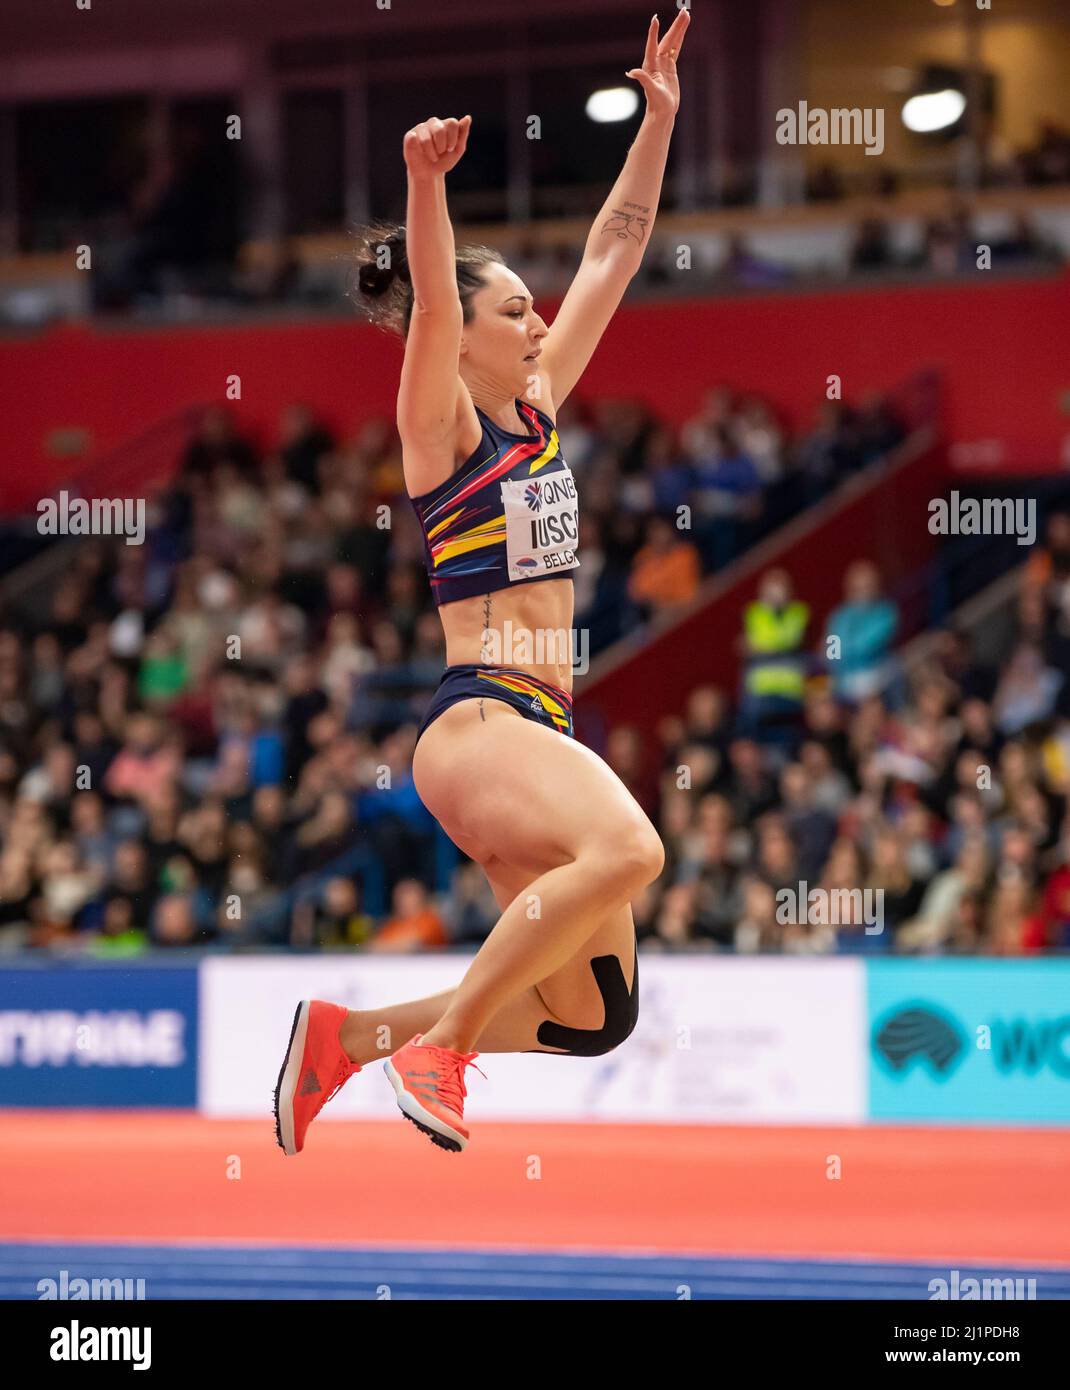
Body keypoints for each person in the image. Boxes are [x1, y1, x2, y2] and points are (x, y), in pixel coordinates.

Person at [274, 10, 691, 1157]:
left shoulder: (540, 397)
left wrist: (657, 120)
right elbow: (441, 304)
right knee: (634, 851)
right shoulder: (438, 424)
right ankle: (444, 1048)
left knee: (593, 1014)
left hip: (541, 723)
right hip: (478, 722)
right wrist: (426, 191)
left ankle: (344, 1042)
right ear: (456, 335)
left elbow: (617, 239)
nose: (538, 316)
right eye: (514, 308)